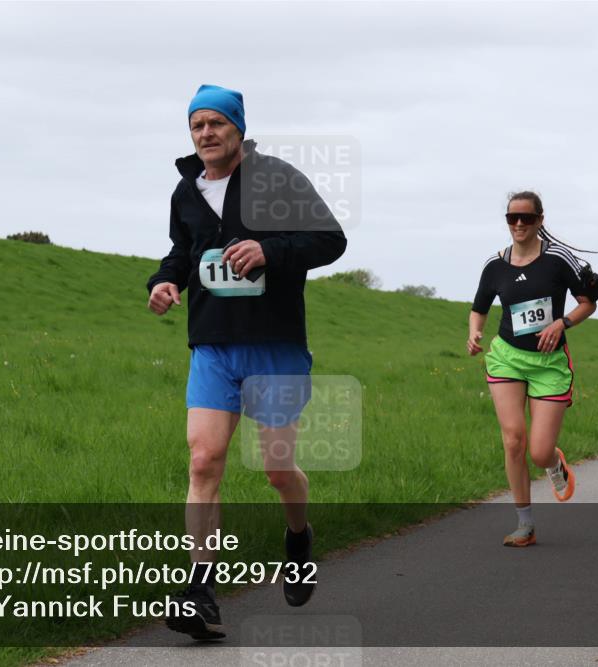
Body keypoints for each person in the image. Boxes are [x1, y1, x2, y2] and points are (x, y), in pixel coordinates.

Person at [147, 85, 347, 639]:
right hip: (212, 343)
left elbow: (331, 240)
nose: (206, 133)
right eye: (197, 125)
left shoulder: (277, 178)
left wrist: (269, 251)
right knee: (203, 461)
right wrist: (164, 281)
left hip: (273, 345)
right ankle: (200, 591)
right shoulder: (186, 191)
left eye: (216, 122)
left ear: (238, 127)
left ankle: (298, 539)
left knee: (277, 469)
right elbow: (184, 252)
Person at [469, 191, 598, 547]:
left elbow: (588, 302)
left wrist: (562, 323)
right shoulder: (495, 265)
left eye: (526, 217)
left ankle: (554, 464)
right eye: (512, 217)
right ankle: (524, 524)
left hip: (549, 364)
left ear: (540, 220)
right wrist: (474, 332)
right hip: (507, 358)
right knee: (513, 440)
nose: (519, 224)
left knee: (539, 452)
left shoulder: (558, 258)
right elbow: (479, 308)